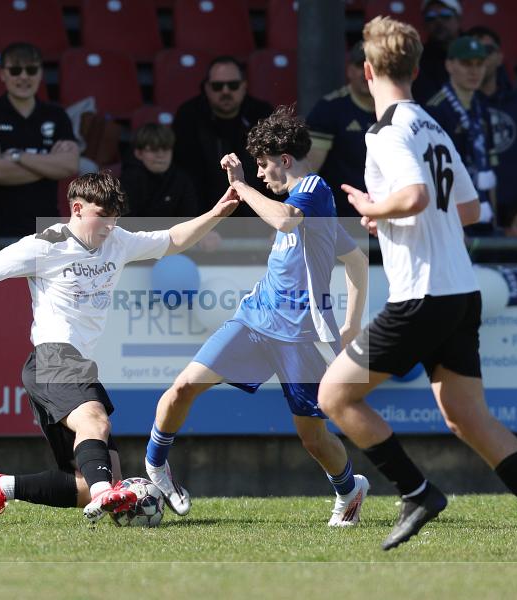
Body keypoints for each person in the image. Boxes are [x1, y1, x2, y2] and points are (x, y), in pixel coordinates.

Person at [316, 16, 517, 553]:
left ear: (367, 71)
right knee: (466, 416)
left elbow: (414, 196)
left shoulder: (384, 131)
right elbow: (470, 208)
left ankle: (417, 493)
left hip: (423, 293)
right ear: (416, 70)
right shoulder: (431, 125)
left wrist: (374, 208)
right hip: (460, 290)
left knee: (334, 396)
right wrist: (398, 218)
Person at [0, 172, 239, 525]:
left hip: (72, 363)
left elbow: (173, 239)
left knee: (91, 480)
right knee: (95, 421)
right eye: (102, 216)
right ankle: (104, 494)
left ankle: (1, 486)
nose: (110, 226)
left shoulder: (118, 241)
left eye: (115, 218)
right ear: (77, 209)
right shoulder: (45, 244)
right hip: (53, 356)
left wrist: (216, 213)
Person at [144, 107, 372, 527]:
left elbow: (289, 223)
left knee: (312, 438)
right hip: (254, 319)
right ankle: (156, 467)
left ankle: (349, 489)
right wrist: (352, 322)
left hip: (301, 336)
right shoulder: (307, 209)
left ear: (285, 159)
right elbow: (356, 259)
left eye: (264, 165)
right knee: (183, 387)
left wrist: (241, 186)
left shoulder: (314, 189)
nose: (262, 175)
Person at [0, 42, 79, 238]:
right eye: (15, 71)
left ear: (41, 73)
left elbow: (70, 165)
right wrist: (48, 167)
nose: (24, 76)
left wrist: (17, 156)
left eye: (31, 70)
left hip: (45, 232)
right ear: (2, 74)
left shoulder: (56, 115)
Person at [172, 56, 273, 220]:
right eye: (217, 86)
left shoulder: (262, 114)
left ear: (244, 86)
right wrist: (198, 222)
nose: (225, 91)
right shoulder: (188, 116)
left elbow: (276, 169)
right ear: (206, 88)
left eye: (233, 85)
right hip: (206, 214)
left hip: (257, 216)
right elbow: (185, 176)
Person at [468, 26, 517, 231]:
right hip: (469, 216)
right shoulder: (453, 107)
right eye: (474, 51)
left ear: (500, 57)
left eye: (487, 50)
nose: (481, 57)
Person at [425, 36, 497, 234]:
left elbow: (489, 168)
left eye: (479, 64)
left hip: (482, 212)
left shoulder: (482, 108)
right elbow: (432, 173)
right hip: (452, 219)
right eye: (466, 64)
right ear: (449, 65)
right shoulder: (436, 109)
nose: (474, 71)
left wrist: (495, 220)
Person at [306, 41, 376, 218]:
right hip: (342, 218)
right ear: (349, 70)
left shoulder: (398, 109)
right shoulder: (329, 109)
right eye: (360, 66)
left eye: (373, 65)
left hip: (388, 215)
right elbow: (308, 171)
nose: (366, 73)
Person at [120, 123, 199, 217]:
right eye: (153, 149)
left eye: (166, 149)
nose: (160, 155)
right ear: (138, 153)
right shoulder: (127, 182)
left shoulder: (182, 180)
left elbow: (189, 218)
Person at [412, 0, 462, 105]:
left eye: (445, 15)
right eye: (430, 17)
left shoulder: (477, 49)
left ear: (458, 19)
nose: (438, 22)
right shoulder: (418, 58)